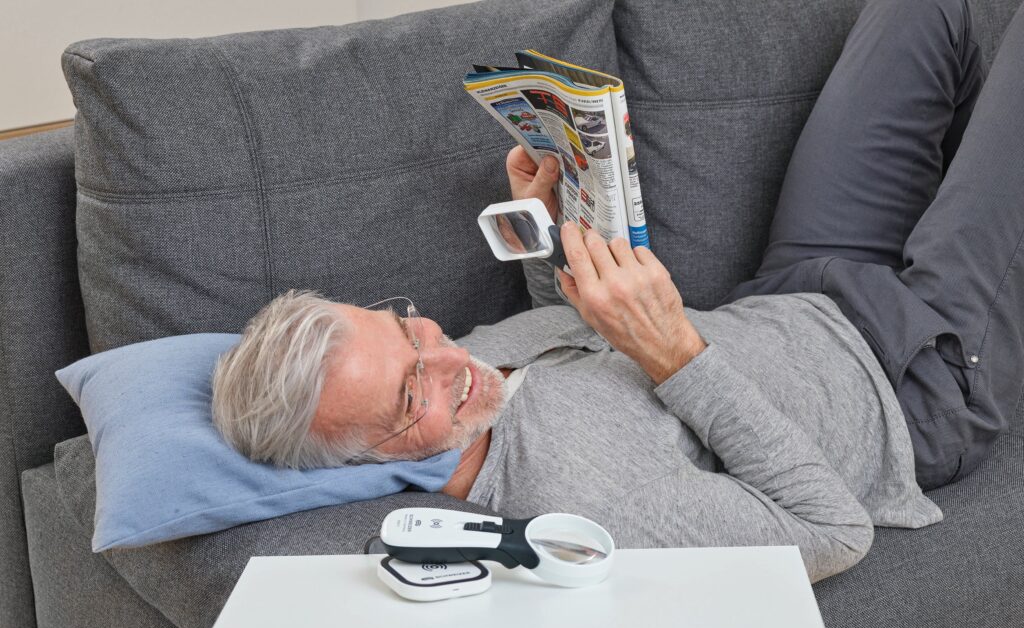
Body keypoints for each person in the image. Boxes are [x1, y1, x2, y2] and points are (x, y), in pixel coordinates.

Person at [212, 0, 1024, 581]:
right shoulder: (587, 504)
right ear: (369, 462)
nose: (446, 358)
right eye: (407, 390)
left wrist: (550, 220)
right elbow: (834, 531)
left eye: (408, 331)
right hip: (918, 379)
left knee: (928, 10)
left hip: (797, 286)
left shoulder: (464, 375)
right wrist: (674, 352)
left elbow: (576, 354)